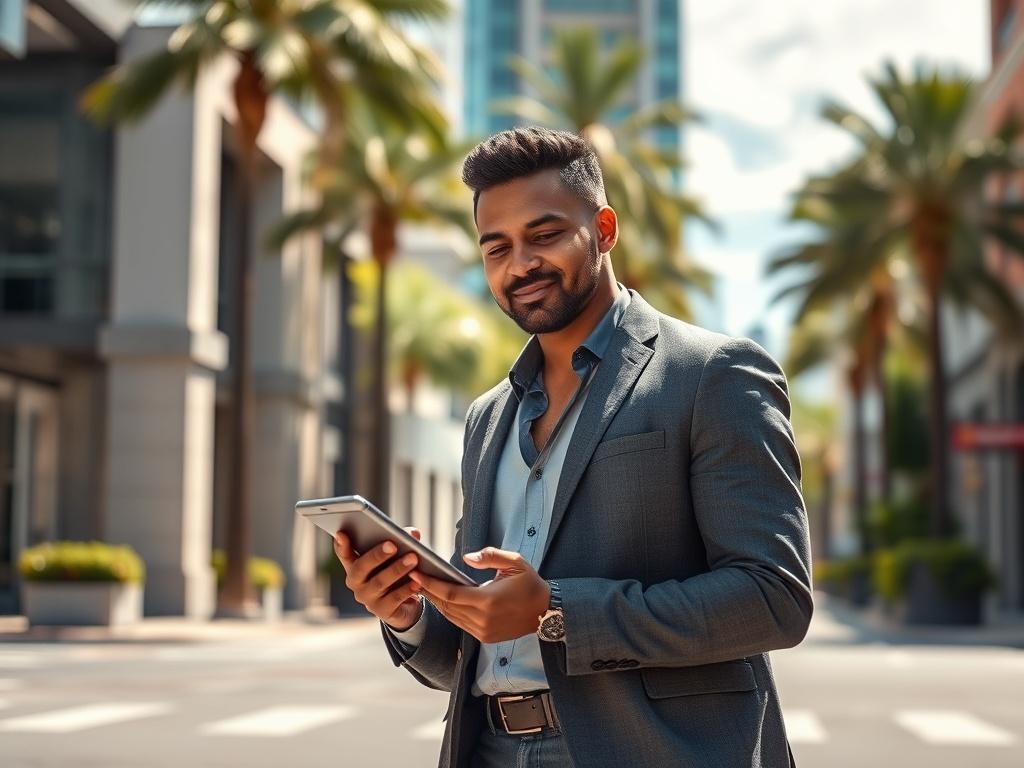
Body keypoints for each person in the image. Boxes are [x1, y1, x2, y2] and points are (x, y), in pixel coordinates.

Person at [333, 126, 813, 768]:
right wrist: (408, 611)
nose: (519, 264)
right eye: (495, 247)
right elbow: (467, 651)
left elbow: (773, 598)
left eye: (545, 234)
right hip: (489, 750)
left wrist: (555, 611)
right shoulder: (486, 418)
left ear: (605, 230)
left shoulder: (712, 375)